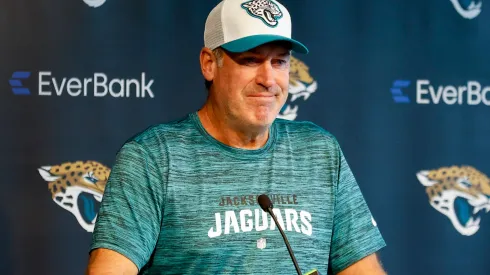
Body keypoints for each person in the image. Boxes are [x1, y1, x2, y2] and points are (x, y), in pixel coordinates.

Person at [86, 0, 387, 274]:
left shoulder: (320, 151)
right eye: (250, 60)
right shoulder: (152, 157)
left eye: (280, 61)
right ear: (209, 64)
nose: (268, 79)